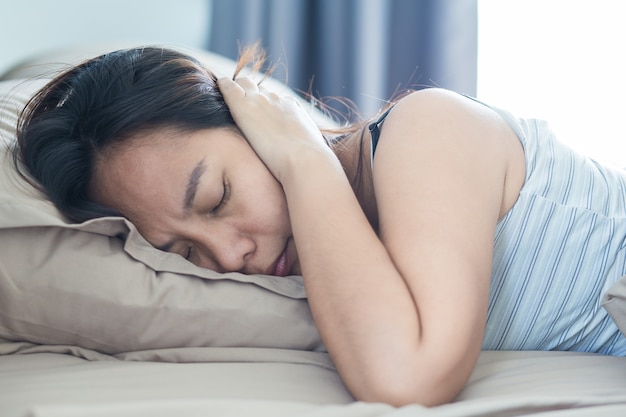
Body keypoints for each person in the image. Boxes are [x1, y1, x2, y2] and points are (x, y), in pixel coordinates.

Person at [13, 45, 626, 407]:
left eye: (218, 197)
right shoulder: (334, 268)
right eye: (184, 251)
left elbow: (408, 375)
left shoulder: (425, 131)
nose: (229, 256)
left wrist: (305, 159)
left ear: (253, 120)